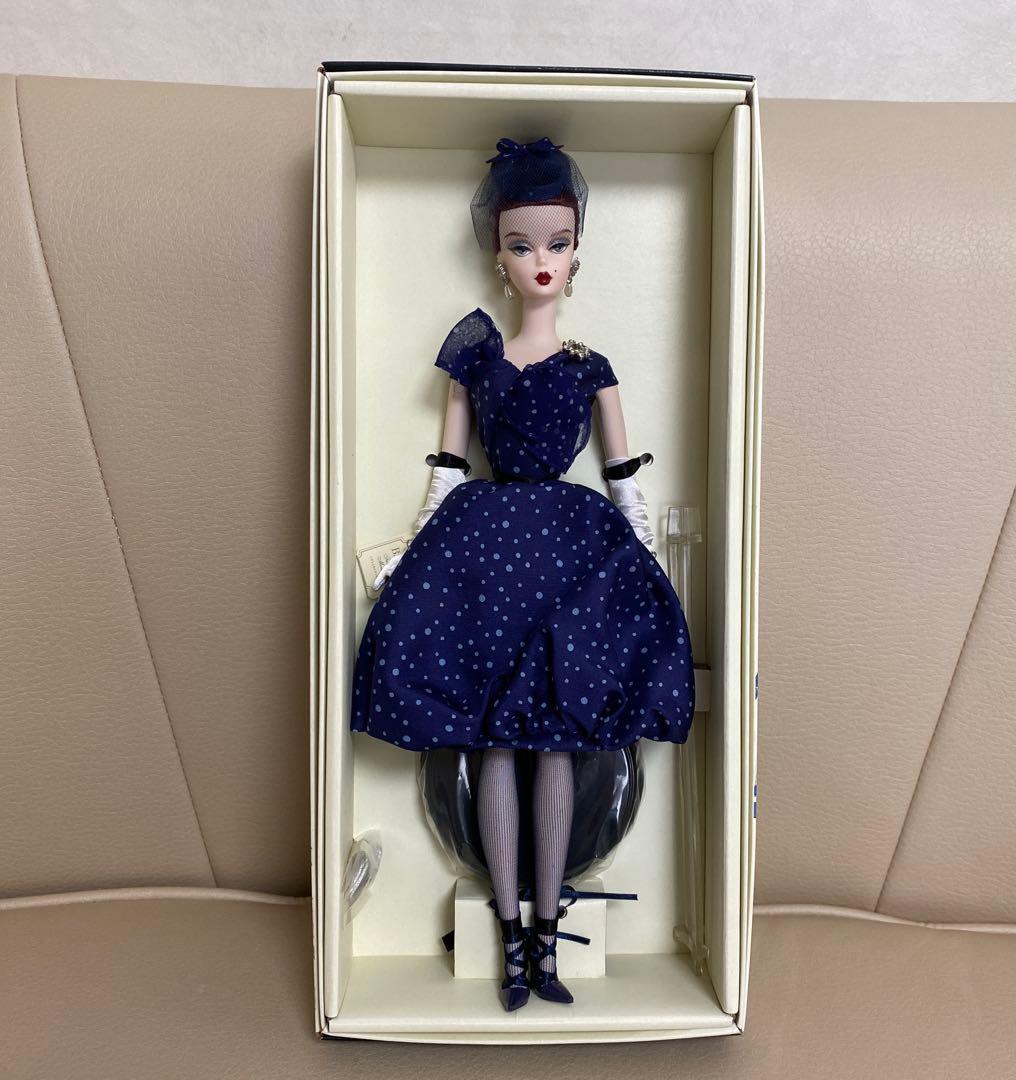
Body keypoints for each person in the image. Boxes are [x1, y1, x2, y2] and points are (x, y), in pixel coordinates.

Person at [351, 136, 695, 1012]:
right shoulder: (474, 357)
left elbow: (623, 478)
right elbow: (446, 467)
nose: (541, 259)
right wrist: (413, 553)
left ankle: (546, 932)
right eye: (521, 243)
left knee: (559, 740)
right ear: (497, 258)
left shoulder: (591, 368)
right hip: (487, 548)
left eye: (557, 242)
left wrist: (643, 565)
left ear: (577, 254)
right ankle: (510, 937)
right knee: (495, 739)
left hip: (570, 552)